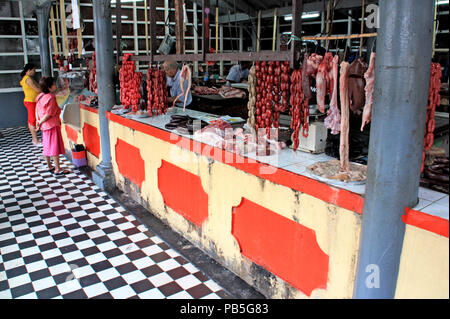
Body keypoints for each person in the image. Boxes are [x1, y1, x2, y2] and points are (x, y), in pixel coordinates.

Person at [35, 77, 69, 175]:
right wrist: (41, 121)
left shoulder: (40, 96)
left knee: (46, 145)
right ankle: (57, 168)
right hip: (51, 125)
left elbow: (37, 110)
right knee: (54, 146)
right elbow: (49, 114)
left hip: (44, 126)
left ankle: (50, 165)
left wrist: (39, 121)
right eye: (53, 84)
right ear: (49, 87)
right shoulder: (51, 97)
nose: (55, 85)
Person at [19, 63, 41, 146]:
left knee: (32, 120)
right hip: (30, 101)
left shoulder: (29, 78)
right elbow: (38, 89)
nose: (34, 71)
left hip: (32, 101)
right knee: (32, 121)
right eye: (33, 70)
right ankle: (35, 140)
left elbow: (39, 87)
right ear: (29, 70)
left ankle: (36, 139)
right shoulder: (28, 79)